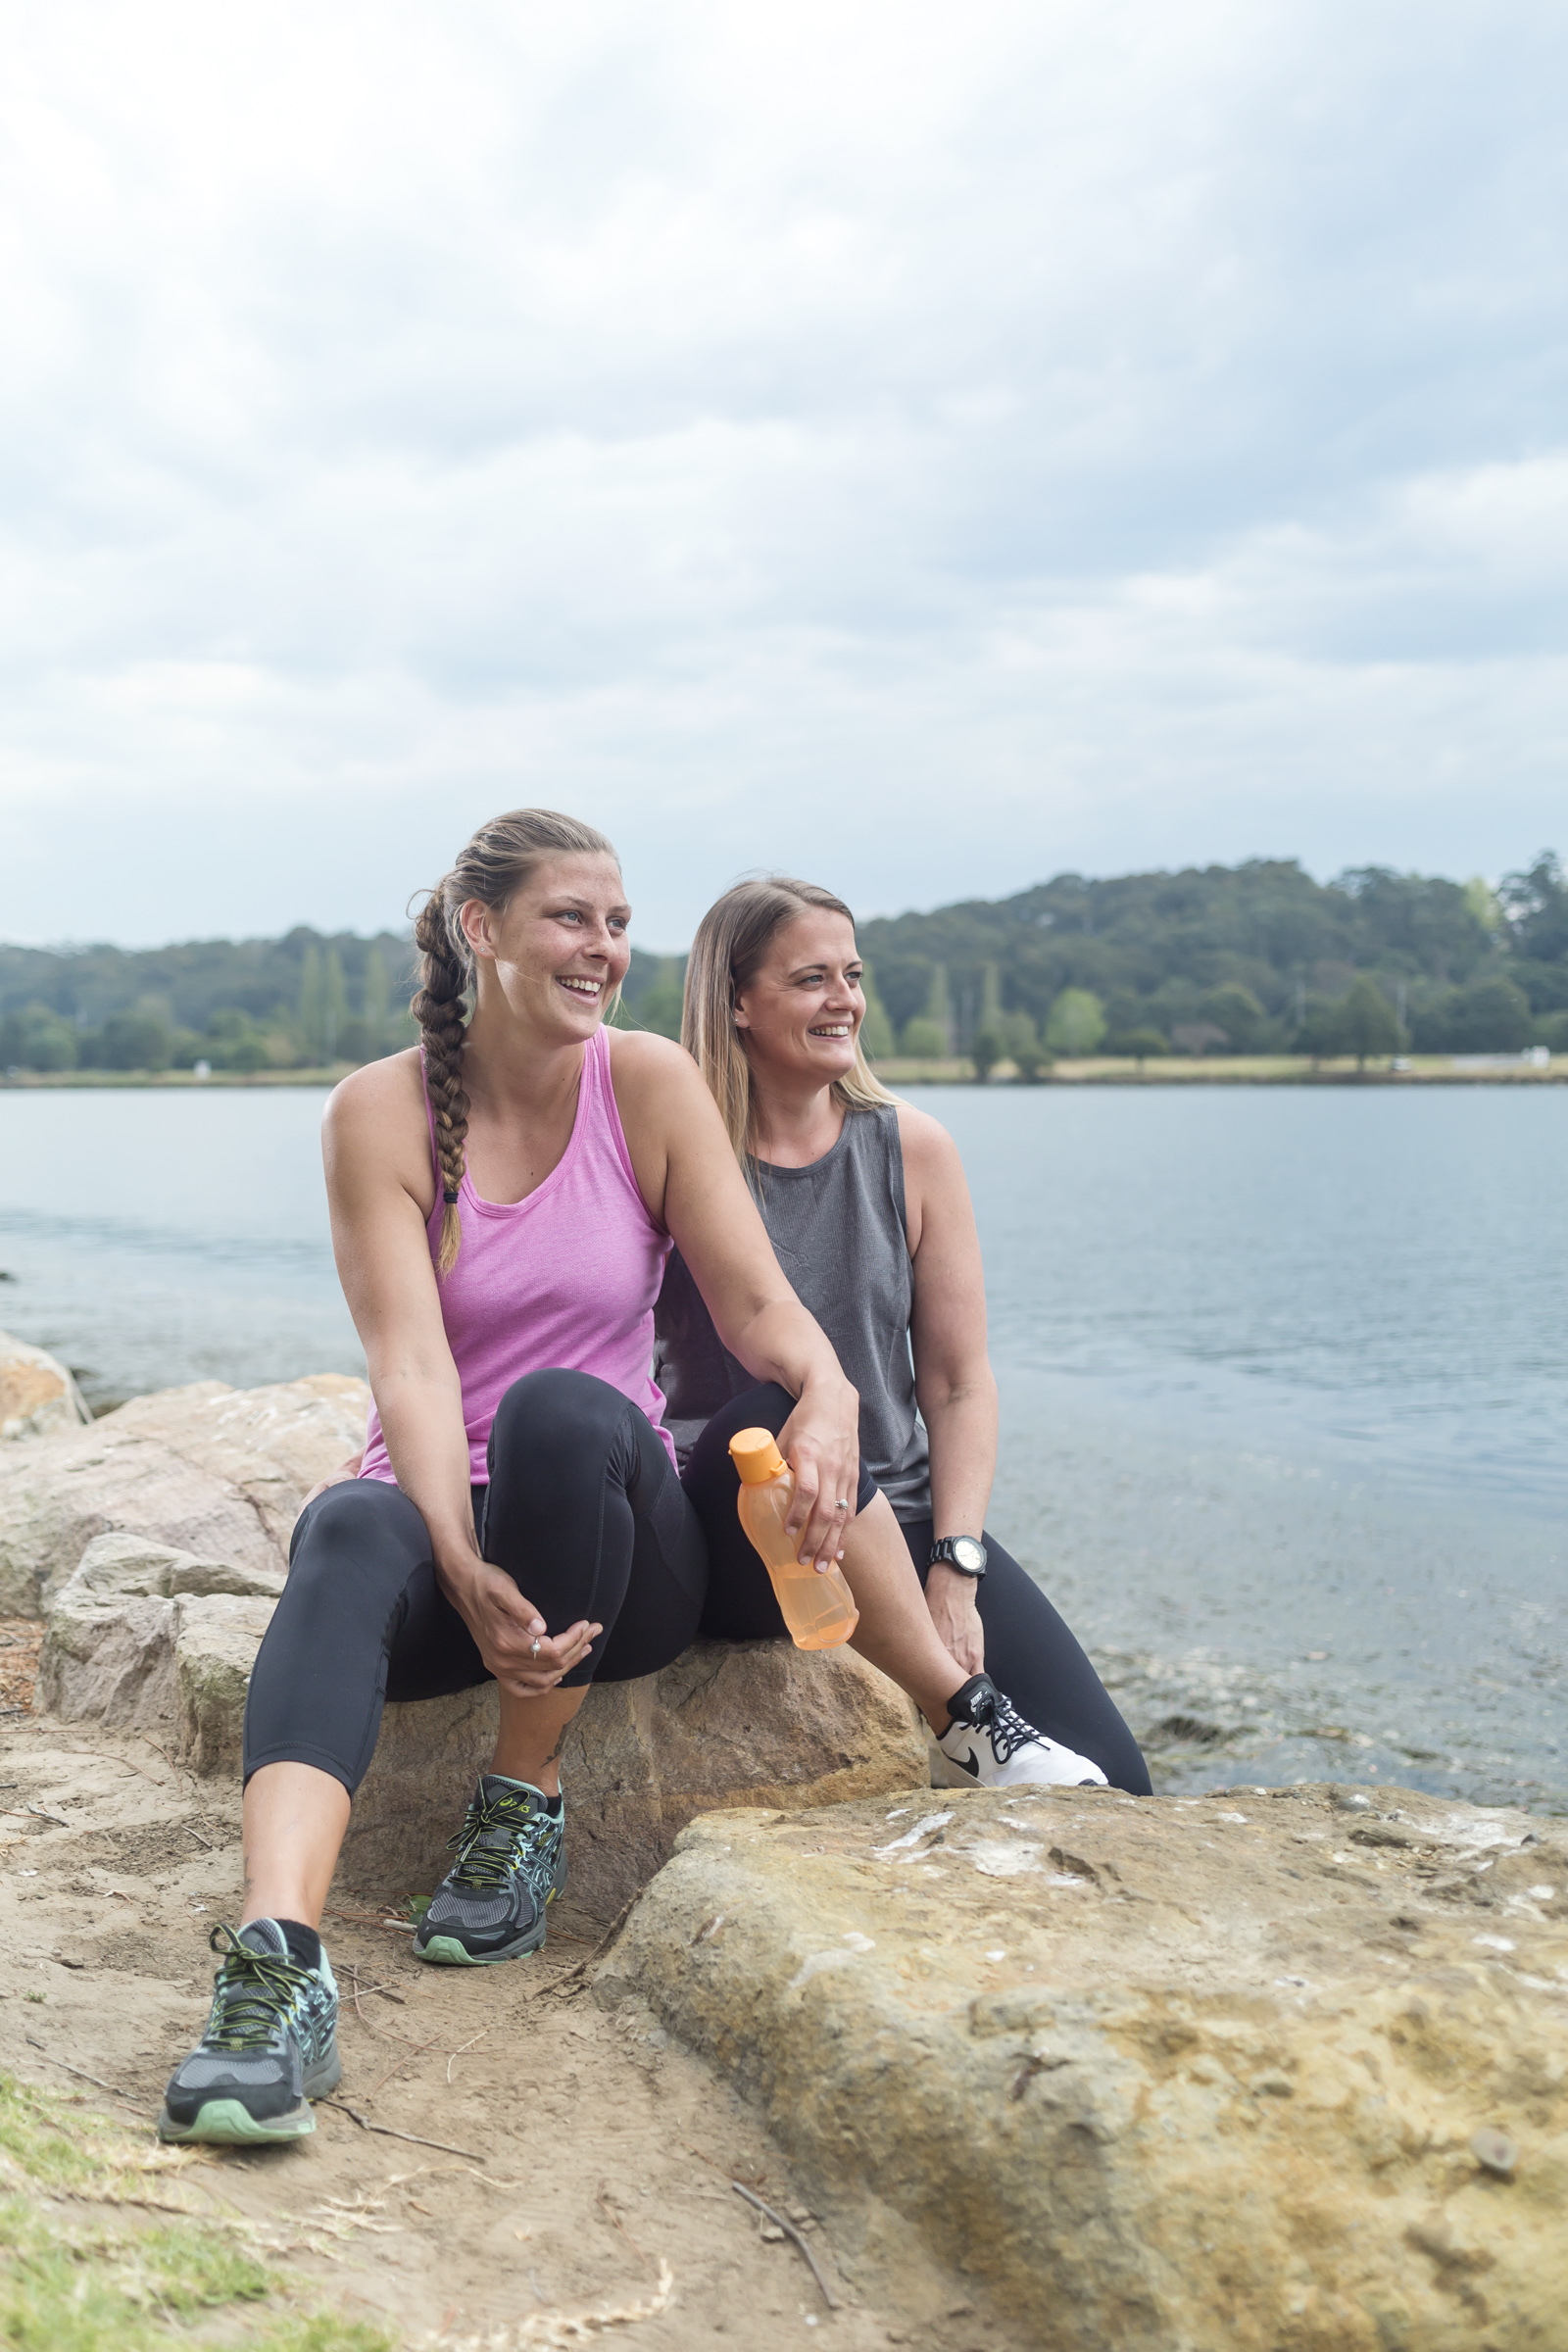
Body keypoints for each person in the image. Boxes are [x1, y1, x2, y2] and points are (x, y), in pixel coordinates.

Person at [158, 810, 1082, 2150]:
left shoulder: (647, 1081)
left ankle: (521, 1804)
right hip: (453, 1538)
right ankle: (276, 1965)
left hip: (619, 1552)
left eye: (619, 924)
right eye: (571, 918)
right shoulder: (376, 1112)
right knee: (347, 1523)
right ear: (481, 929)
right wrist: (454, 1560)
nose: (603, 948)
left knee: (557, 1410)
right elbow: (409, 1368)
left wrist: (828, 1395)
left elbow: (757, 1305)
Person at [655, 875, 1151, 1800]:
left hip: (900, 1513)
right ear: (736, 1002)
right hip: (740, 1525)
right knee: (770, 1411)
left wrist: (955, 1565)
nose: (843, 1000)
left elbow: (958, 1384)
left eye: (852, 975)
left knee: (1117, 1786)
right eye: (810, 979)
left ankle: (976, 1735)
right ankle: (965, 1719)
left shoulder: (913, 1149)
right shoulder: (673, 1152)